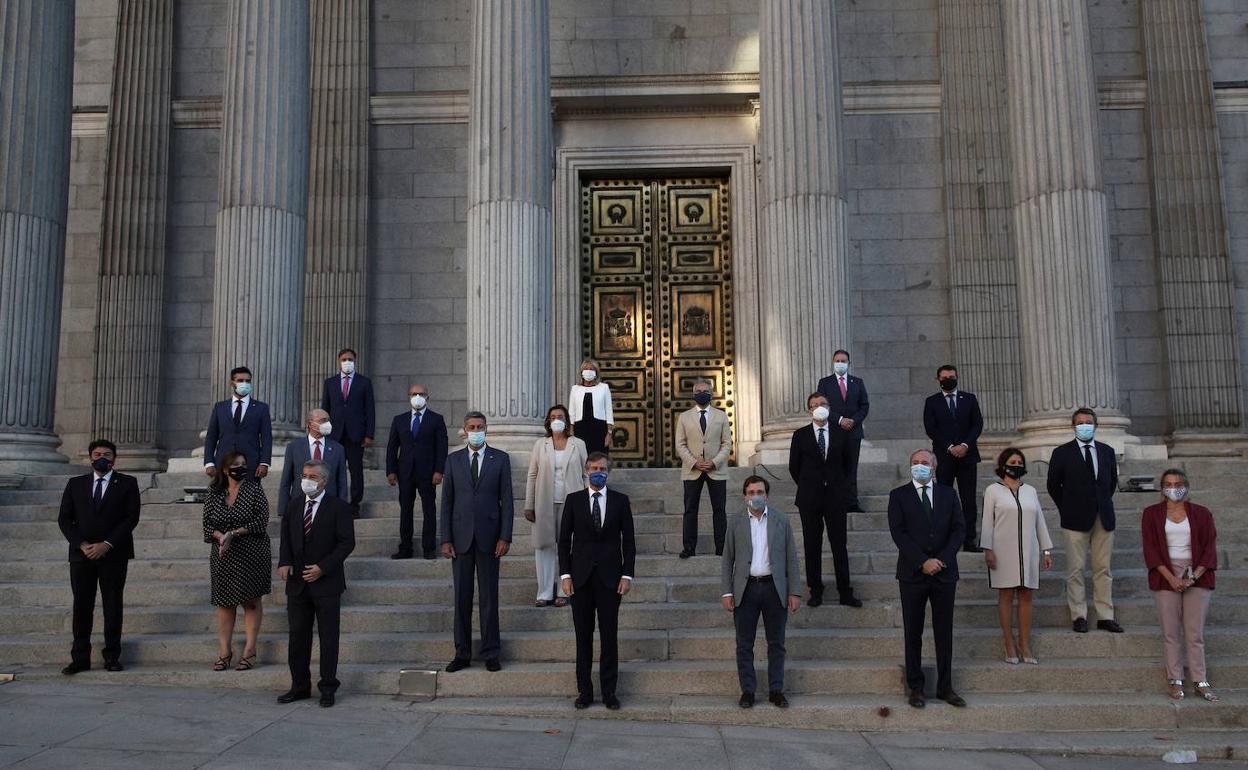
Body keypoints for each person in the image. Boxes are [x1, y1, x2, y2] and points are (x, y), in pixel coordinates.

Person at [888, 449, 966, 709]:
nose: (919, 466)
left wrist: (940, 560)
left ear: (934, 467)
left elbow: (958, 529)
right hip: (912, 574)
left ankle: (945, 687)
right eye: (915, 463)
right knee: (914, 632)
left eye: (924, 463)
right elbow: (899, 533)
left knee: (944, 632)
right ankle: (916, 687)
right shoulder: (898, 496)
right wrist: (922, 561)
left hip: (944, 574)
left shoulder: (948, 493)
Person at [57, 440, 141, 675]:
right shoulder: (76, 484)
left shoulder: (127, 483)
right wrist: (82, 545)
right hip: (81, 555)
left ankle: (112, 656)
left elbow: (130, 518)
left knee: (113, 606)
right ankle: (80, 658)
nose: (101, 457)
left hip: (114, 554)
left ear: (114, 458)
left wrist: (106, 545)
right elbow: (65, 519)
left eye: (106, 454)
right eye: (96, 454)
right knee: (82, 607)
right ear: (90, 458)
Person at [277, 460, 356, 707]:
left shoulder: (339, 507)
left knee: (328, 637)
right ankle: (299, 685)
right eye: (304, 475)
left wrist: (323, 567)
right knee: (298, 636)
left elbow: (346, 542)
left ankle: (328, 687)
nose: (307, 480)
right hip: (298, 582)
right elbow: (286, 537)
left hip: (327, 582)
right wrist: (284, 561)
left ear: (324, 481)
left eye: (312, 476)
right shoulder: (294, 504)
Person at [559, 453, 635, 710]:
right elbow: (563, 541)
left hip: (610, 579)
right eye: (593, 468)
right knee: (583, 638)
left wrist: (627, 574)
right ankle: (585, 691)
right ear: (586, 471)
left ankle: (609, 692)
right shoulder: (573, 500)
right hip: (580, 579)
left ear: (608, 472)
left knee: (609, 637)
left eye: (602, 468)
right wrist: (565, 575)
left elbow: (630, 541)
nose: (597, 472)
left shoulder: (621, 501)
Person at [441, 412, 514, 672]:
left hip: (490, 537)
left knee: (488, 598)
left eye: (480, 427)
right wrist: (445, 538)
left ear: (486, 429)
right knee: (462, 598)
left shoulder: (500, 459)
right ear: (464, 430)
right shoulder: (453, 461)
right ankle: (462, 653)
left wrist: (505, 536)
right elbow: (447, 501)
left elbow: (507, 500)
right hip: (460, 538)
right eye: (471, 427)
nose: (476, 430)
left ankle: (491, 651)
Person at [721, 475, 801, 709]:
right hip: (746, 589)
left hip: (773, 588)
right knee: (744, 643)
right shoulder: (735, 522)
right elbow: (728, 558)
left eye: (760, 492)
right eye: (751, 492)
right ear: (744, 496)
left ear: (767, 495)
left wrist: (794, 591)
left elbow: (791, 558)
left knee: (776, 642)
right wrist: (727, 592)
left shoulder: (781, 520)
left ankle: (776, 690)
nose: (755, 496)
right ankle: (748, 690)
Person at [1142, 469, 1219, 702]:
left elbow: (1209, 548)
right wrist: (1172, 578)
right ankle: (1175, 679)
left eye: (1178, 483)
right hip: (1166, 577)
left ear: (1186, 486)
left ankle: (1200, 679)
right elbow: (1151, 550)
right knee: (1171, 632)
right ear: (1162, 488)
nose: (1173, 487)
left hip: (1197, 576)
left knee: (1195, 633)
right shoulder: (1151, 514)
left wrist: (1193, 577)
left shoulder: (1202, 514)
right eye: (1168, 483)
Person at [1047, 407, 1122, 634]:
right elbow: (1053, 486)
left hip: (1103, 517)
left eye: (1088, 422)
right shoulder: (1062, 453)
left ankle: (1105, 616)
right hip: (1074, 519)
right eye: (1080, 422)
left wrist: (1100, 503)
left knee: (1103, 569)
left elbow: (1111, 483)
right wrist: (1068, 507)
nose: (1084, 425)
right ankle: (1078, 615)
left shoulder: (1107, 451)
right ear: (1073, 426)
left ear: (1096, 425)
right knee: (1076, 569)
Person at [981, 448, 1053, 665]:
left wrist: (1046, 549)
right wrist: (988, 549)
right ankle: (1008, 642)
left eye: (1019, 462)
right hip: (1002, 550)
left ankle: (1024, 642)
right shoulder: (993, 490)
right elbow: (987, 521)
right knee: (1005, 595)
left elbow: (1039, 519)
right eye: (1012, 461)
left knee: (1026, 596)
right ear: (1003, 465)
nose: (1016, 465)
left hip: (1028, 550)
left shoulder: (1030, 490)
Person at [203, 451, 272, 672]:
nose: (240, 468)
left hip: (252, 551)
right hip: (224, 553)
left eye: (244, 464)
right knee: (225, 602)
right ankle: (224, 651)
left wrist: (234, 533)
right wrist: (221, 536)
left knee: (251, 601)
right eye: (235, 464)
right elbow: (206, 525)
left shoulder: (254, 489)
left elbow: (262, 520)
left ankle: (250, 649)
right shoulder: (215, 493)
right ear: (225, 469)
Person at [788, 392, 860, 607]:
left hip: (835, 497)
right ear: (809, 410)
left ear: (829, 407)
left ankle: (845, 591)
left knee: (839, 544)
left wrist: (839, 486)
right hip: (809, 498)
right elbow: (794, 467)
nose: (819, 407)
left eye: (823, 404)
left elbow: (849, 465)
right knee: (812, 544)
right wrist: (810, 484)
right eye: (814, 404)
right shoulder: (800, 435)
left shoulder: (841, 433)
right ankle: (815, 590)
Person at [524, 405, 588, 607]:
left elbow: (586, 474)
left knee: (567, 545)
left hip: (572, 501)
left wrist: (588, 501)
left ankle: (564, 590)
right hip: (545, 501)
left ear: (567, 420)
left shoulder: (578, 444)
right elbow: (532, 474)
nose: (556, 419)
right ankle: (544, 592)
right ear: (548, 421)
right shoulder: (540, 444)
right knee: (544, 547)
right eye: (553, 416)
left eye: (560, 416)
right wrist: (529, 504)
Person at [922, 365, 983, 552]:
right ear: (938, 379)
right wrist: (950, 447)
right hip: (944, 457)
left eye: (951, 376)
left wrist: (965, 445)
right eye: (944, 377)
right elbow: (931, 428)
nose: (948, 379)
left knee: (968, 500)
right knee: (944, 499)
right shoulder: (932, 401)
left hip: (968, 456)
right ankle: (946, 539)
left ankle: (969, 539)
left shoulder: (969, 399)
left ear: (957, 377)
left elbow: (977, 424)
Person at [385, 383, 448, 559]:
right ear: (408, 397)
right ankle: (405, 548)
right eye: (413, 394)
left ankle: (429, 548)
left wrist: (439, 471)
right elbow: (392, 447)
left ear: (427, 396)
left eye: (421, 393)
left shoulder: (436, 419)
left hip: (428, 473)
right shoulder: (399, 419)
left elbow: (441, 448)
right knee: (406, 509)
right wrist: (390, 470)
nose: (417, 397)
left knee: (429, 509)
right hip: (404, 471)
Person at [675, 378, 733, 558]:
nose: (702, 394)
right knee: (690, 510)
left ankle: (721, 548)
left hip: (716, 470)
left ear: (711, 393)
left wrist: (714, 461)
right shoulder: (684, 417)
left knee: (719, 510)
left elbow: (727, 444)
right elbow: (680, 444)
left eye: (705, 391)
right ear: (693, 394)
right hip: (692, 470)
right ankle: (689, 547)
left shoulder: (721, 416)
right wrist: (694, 462)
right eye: (698, 391)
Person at [320, 348, 375, 516]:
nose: (347, 362)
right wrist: (322, 430)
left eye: (350, 359)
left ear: (355, 361)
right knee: (333, 468)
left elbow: (370, 410)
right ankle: (335, 501)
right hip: (334, 434)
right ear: (339, 361)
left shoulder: (364, 383)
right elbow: (325, 409)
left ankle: (355, 505)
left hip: (355, 434)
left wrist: (369, 434)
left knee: (356, 470)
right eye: (344, 359)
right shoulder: (330, 383)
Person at [816, 349, 869, 512]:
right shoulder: (825, 383)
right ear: (833, 363)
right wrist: (839, 420)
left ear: (849, 363)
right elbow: (821, 406)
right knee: (835, 467)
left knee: (851, 467)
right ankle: (836, 500)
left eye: (843, 361)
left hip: (854, 431)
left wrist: (853, 420)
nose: (840, 363)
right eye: (837, 361)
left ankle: (852, 502)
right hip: (834, 431)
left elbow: (864, 405)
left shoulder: (857, 382)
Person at [203, 366, 272, 482]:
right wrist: (209, 462)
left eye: (247, 381)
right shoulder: (220, 407)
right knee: (222, 497)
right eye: (240, 380)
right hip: (223, 463)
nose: (244, 383)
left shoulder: (261, 408)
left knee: (249, 498)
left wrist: (264, 463)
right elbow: (211, 437)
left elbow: (266, 437)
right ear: (232, 383)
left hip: (250, 465)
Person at [278, 408, 348, 517]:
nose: (327, 424)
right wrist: (283, 509)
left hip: (329, 505)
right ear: (310, 424)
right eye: (322, 420)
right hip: (300, 503)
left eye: (328, 420)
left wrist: (343, 508)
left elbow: (342, 482)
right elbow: (286, 480)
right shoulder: (294, 447)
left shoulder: (338, 449)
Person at [568, 358, 613, 454]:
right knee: (581, 456)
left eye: (592, 369)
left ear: (596, 372)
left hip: (599, 427)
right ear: (582, 372)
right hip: (580, 427)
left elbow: (608, 411)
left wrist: (609, 433)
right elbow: (572, 412)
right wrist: (571, 431)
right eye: (586, 369)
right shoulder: (575, 389)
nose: (589, 371)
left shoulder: (603, 387)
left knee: (598, 455)